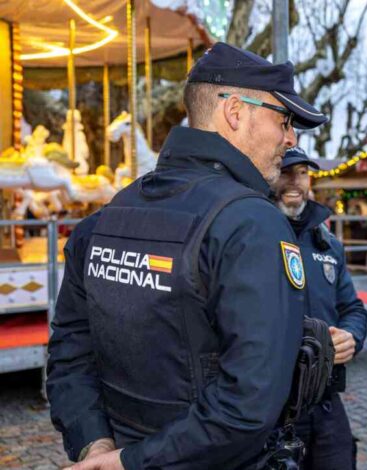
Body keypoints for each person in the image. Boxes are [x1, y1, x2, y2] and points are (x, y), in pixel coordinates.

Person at [47, 42, 328, 470]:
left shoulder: (108, 214)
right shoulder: (251, 223)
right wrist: (127, 461)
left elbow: (69, 355)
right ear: (236, 111)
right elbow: (247, 405)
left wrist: (97, 448)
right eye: (285, 120)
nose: (291, 138)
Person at [273, 148, 367, 469]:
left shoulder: (327, 244)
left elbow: (353, 307)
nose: (295, 181)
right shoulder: (255, 236)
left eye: (302, 173)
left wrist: (351, 336)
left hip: (325, 399)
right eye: (286, 172)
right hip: (272, 404)